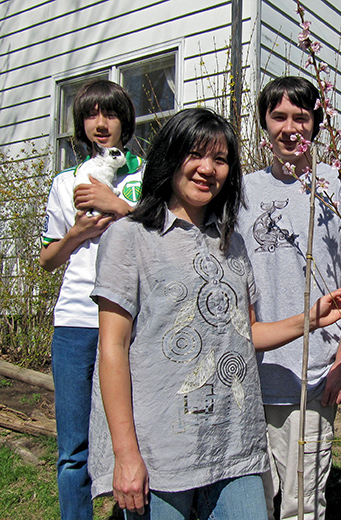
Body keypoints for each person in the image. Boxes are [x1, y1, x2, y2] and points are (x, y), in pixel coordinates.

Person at [86, 107, 341, 520]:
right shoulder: (130, 238)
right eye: (195, 155)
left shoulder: (230, 242)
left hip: (235, 445)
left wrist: (314, 316)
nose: (207, 169)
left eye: (220, 159)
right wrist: (125, 454)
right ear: (170, 157)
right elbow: (112, 348)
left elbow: (246, 333)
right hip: (162, 450)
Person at [237, 76, 341, 520]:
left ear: (316, 123)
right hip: (252, 376)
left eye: (302, 116)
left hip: (312, 378)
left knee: (301, 505)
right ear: (264, 124)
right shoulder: (242, 193)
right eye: (279, 116)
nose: (290, 127)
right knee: (255, 503)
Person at [40, 79, 143, 520]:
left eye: (111, 114)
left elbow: (166, 229)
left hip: (136, 320)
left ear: (125, 121)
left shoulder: (147, 172)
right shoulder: (66, 181)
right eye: (90, 115)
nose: (101, 124)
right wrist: (77, 233)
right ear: (81, 124)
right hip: (77, 321)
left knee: (141, 439)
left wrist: (115, 204)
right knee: (72, 451)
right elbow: (47, 259)